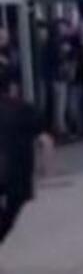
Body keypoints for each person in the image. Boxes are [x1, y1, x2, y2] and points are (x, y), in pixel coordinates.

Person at [0, 71, 55, 248]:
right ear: (13, 87)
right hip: (19, 173)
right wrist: (47, 170)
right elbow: (46, 141)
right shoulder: (25, 109)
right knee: (10, 214)